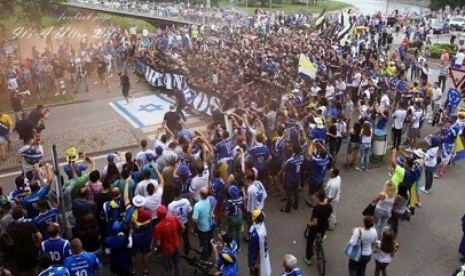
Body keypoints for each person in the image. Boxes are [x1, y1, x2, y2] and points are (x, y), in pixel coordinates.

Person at [7, 206, 43, 276]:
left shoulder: (9, 228)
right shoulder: (29, 223)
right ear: (22, 214)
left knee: (23, 272)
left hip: (19, 253)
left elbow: (9, 242)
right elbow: (40, 236)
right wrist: (38, 245)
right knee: (35, 270)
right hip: (31, 250)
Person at [153, 205, 183, 276]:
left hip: (166, 251)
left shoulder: (158, 227)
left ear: (157, 215)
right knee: (178, 265)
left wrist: (157, 251)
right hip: (177, 246)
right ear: (166, 212)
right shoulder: (173, 218)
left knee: (165, 268)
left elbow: (158, 243)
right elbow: (182, 227)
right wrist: (179, 236)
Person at [304, 190, 332, 266]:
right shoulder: (329, 206)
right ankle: (321, 241)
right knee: (321, 236)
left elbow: (315, 222)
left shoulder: (316, 208)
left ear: (318, 198)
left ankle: (308, 258)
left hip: (316, 227)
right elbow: (329, 215)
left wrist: (309, 223)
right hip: (324, 225)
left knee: (310, 242)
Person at [167, 185, 192, 255]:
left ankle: (177, 252)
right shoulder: (186, 201)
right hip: (185, 222)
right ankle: (187, 252)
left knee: (176, 238)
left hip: (176, 225)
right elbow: (190, 211)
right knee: (186, 237)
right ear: (180, 192)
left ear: (172, 193)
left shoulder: (170, 205)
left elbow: (169, 218)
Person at [280, 143, 304, 213]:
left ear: (293, 150)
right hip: (297, 176)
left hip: (289, 178)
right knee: (296, 192)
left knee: (289, 193)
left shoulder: (290, 160)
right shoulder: (302, 157)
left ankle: (287, 209)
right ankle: (296, 205)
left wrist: (279, 174)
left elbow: (283, 168)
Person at [192, 187, 214, 260]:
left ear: (200, 194)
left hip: (202, 228)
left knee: (203, 243)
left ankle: (205, 257)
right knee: (209, 240)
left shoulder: (197, 205)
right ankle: (210, 253)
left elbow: (194, 219)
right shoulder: (210, 201)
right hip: (211, 225)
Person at [248, 209, 271, 276]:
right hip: (251, 252)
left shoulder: (260, 233)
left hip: (255, 256)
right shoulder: (259, 225)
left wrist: (257, 262)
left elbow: (262, 248)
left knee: (255, 271)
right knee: (251, 268)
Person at [225, 185, 244, 251]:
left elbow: (226, 213)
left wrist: (227, 220)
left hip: (232, 218)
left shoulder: (229, 202)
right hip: (240, 216)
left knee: (231, 233)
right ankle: (239, 247)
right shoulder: (241, 199)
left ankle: (233, 246)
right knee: (238, 232)